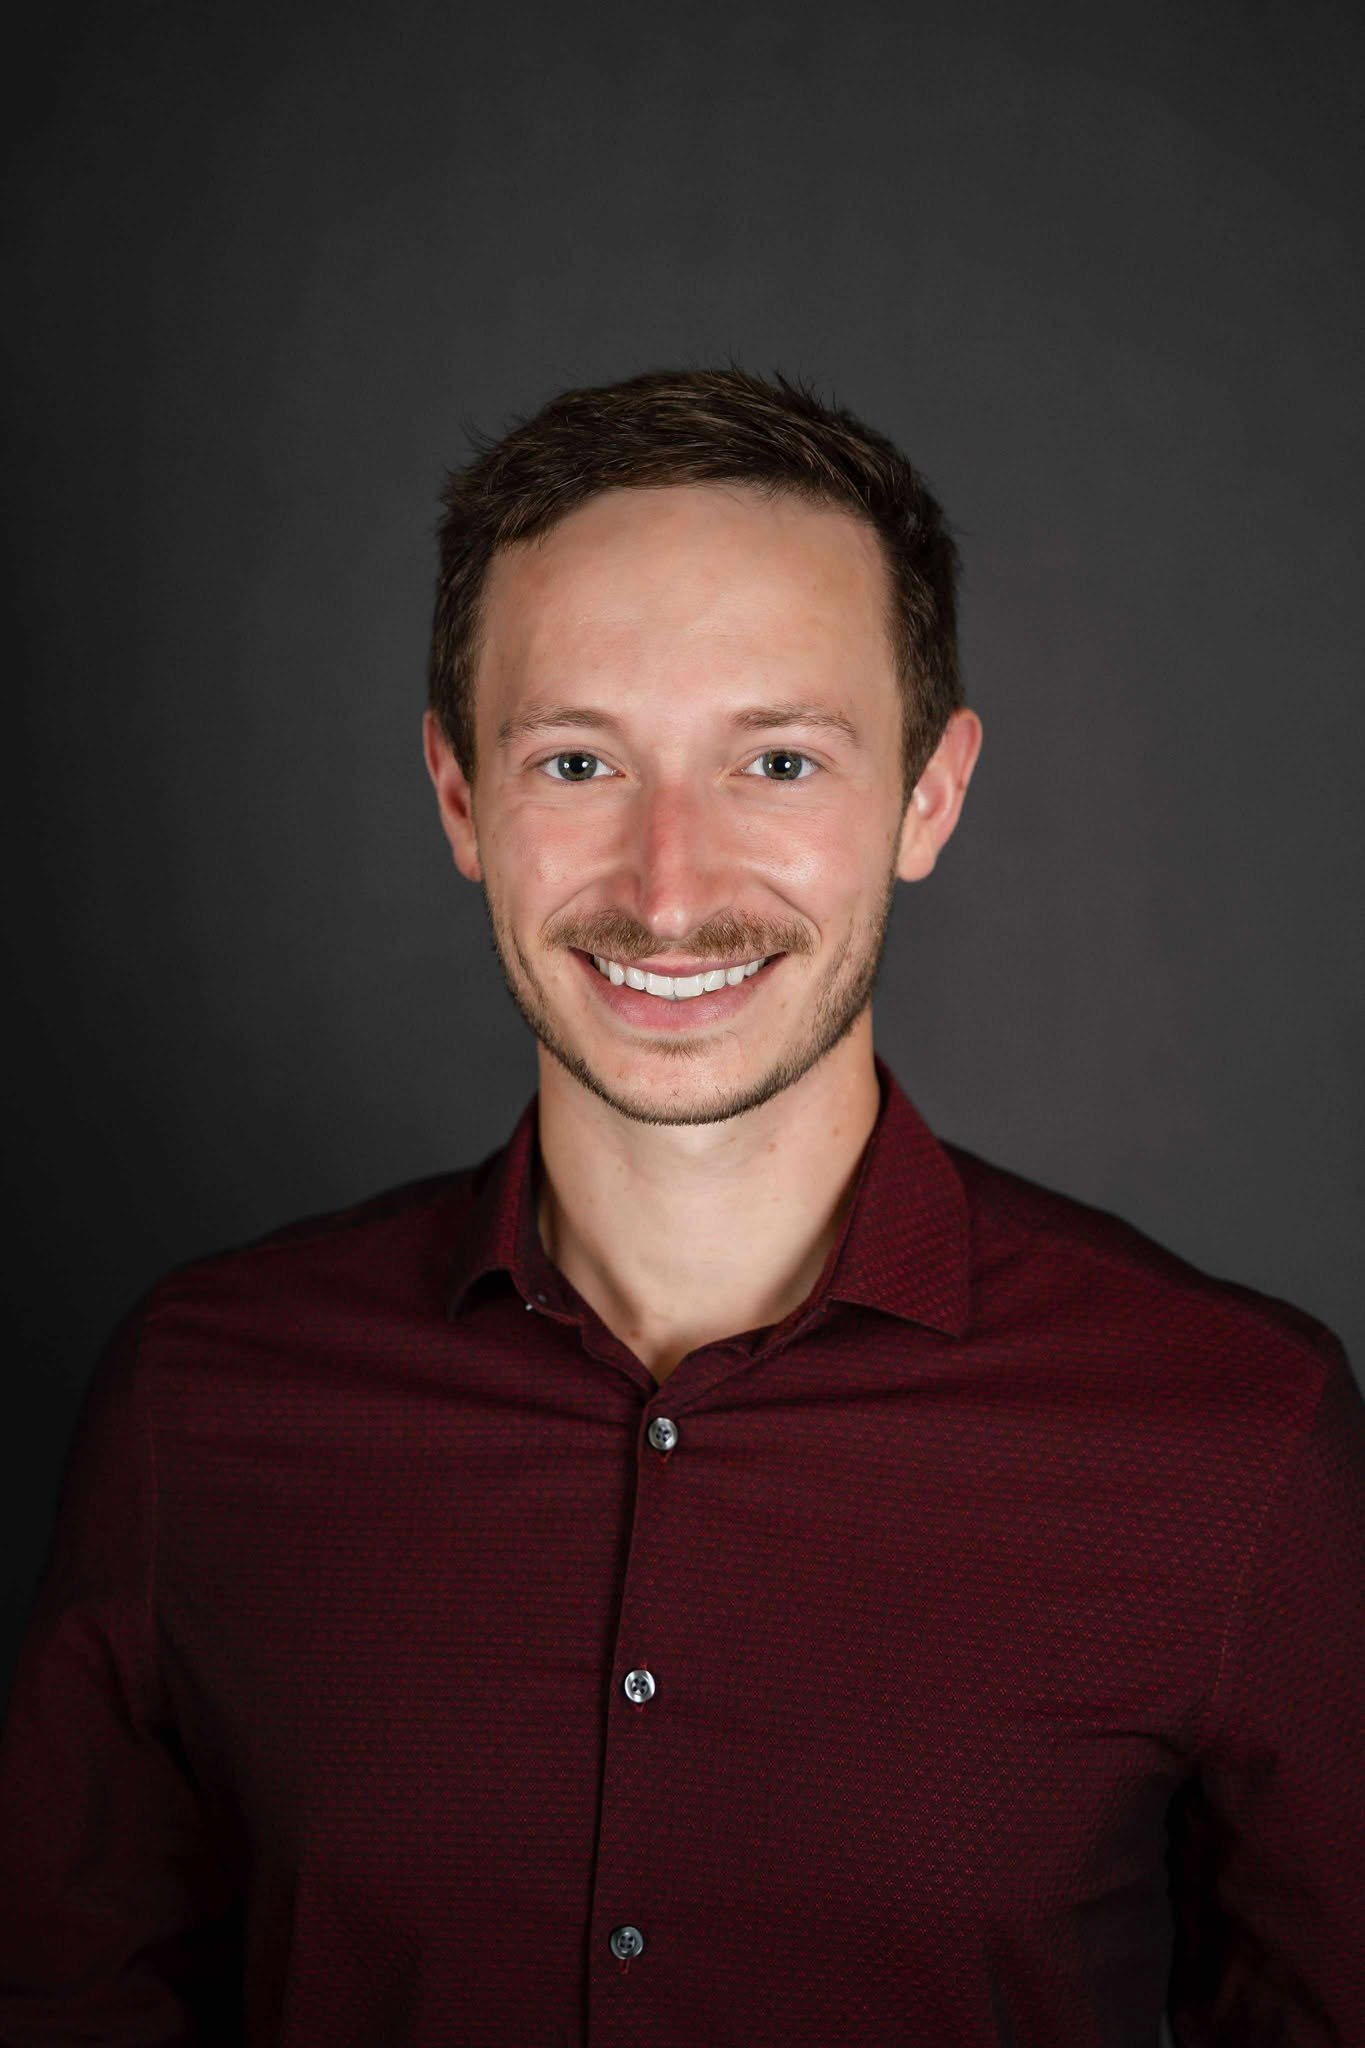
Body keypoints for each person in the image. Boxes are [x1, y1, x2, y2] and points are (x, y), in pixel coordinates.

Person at [0, 367, 1361, 2046]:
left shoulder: (1235, 1435)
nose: (668, 889)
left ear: (927, 798)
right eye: (578, 760)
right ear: (456, 800)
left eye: (777, 762)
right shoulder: (195, 1404)